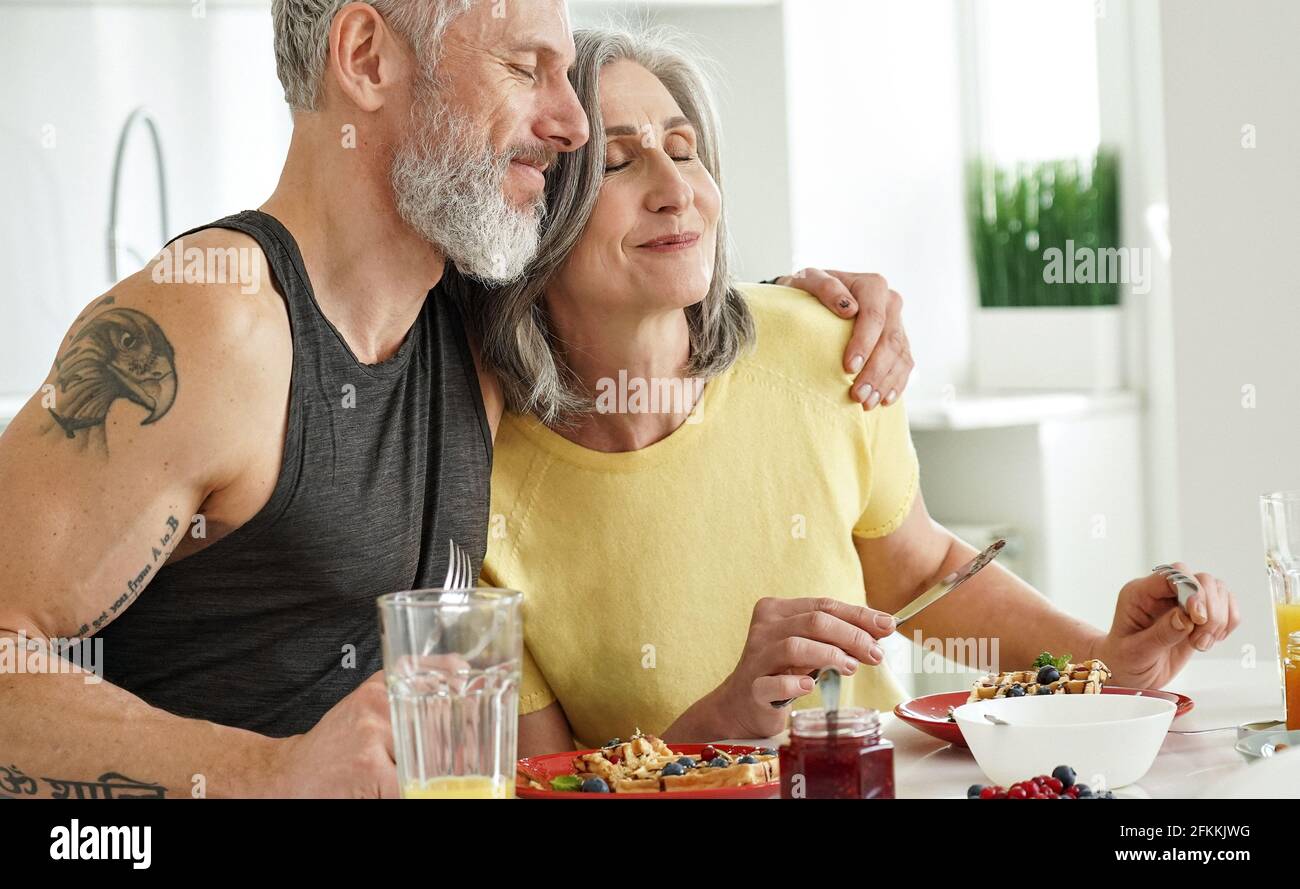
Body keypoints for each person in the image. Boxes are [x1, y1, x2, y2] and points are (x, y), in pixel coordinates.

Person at [0, 1, 914, 798]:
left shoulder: (468, 322)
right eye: (525, 69)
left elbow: (638, 291)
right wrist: (267, 777)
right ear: (366, 57)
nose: (571, 125)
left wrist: (816, 308)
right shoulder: (214, 324)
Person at [468, 26, 1243, 756]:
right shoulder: (478, 486)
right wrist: (721, 724)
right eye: (617, 162)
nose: (678, 190)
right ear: (530, 210)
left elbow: (919, 569)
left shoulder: (824, 345)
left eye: (685, 149)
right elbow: (551, 786)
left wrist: (1104, 660)